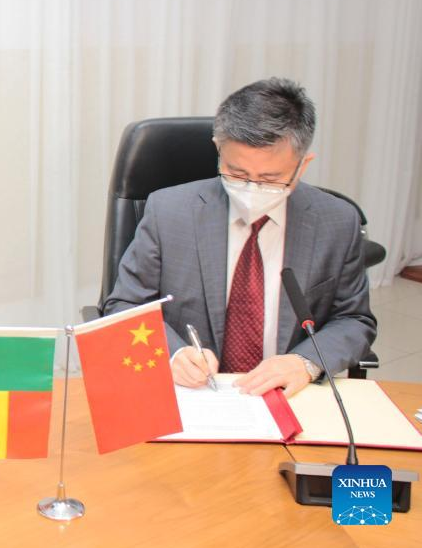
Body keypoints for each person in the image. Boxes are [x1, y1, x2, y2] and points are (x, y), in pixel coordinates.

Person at [103, 78, 376, 398]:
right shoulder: (168, 211)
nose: (251, 189)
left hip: (289, 395)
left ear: (303, 166)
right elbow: (124, 305)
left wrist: (305, 362)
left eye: (271, 178)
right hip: (194, 393)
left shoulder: (337, 221)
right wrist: (173, 354)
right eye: (237, 173)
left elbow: (354, 319)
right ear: (218, 149)